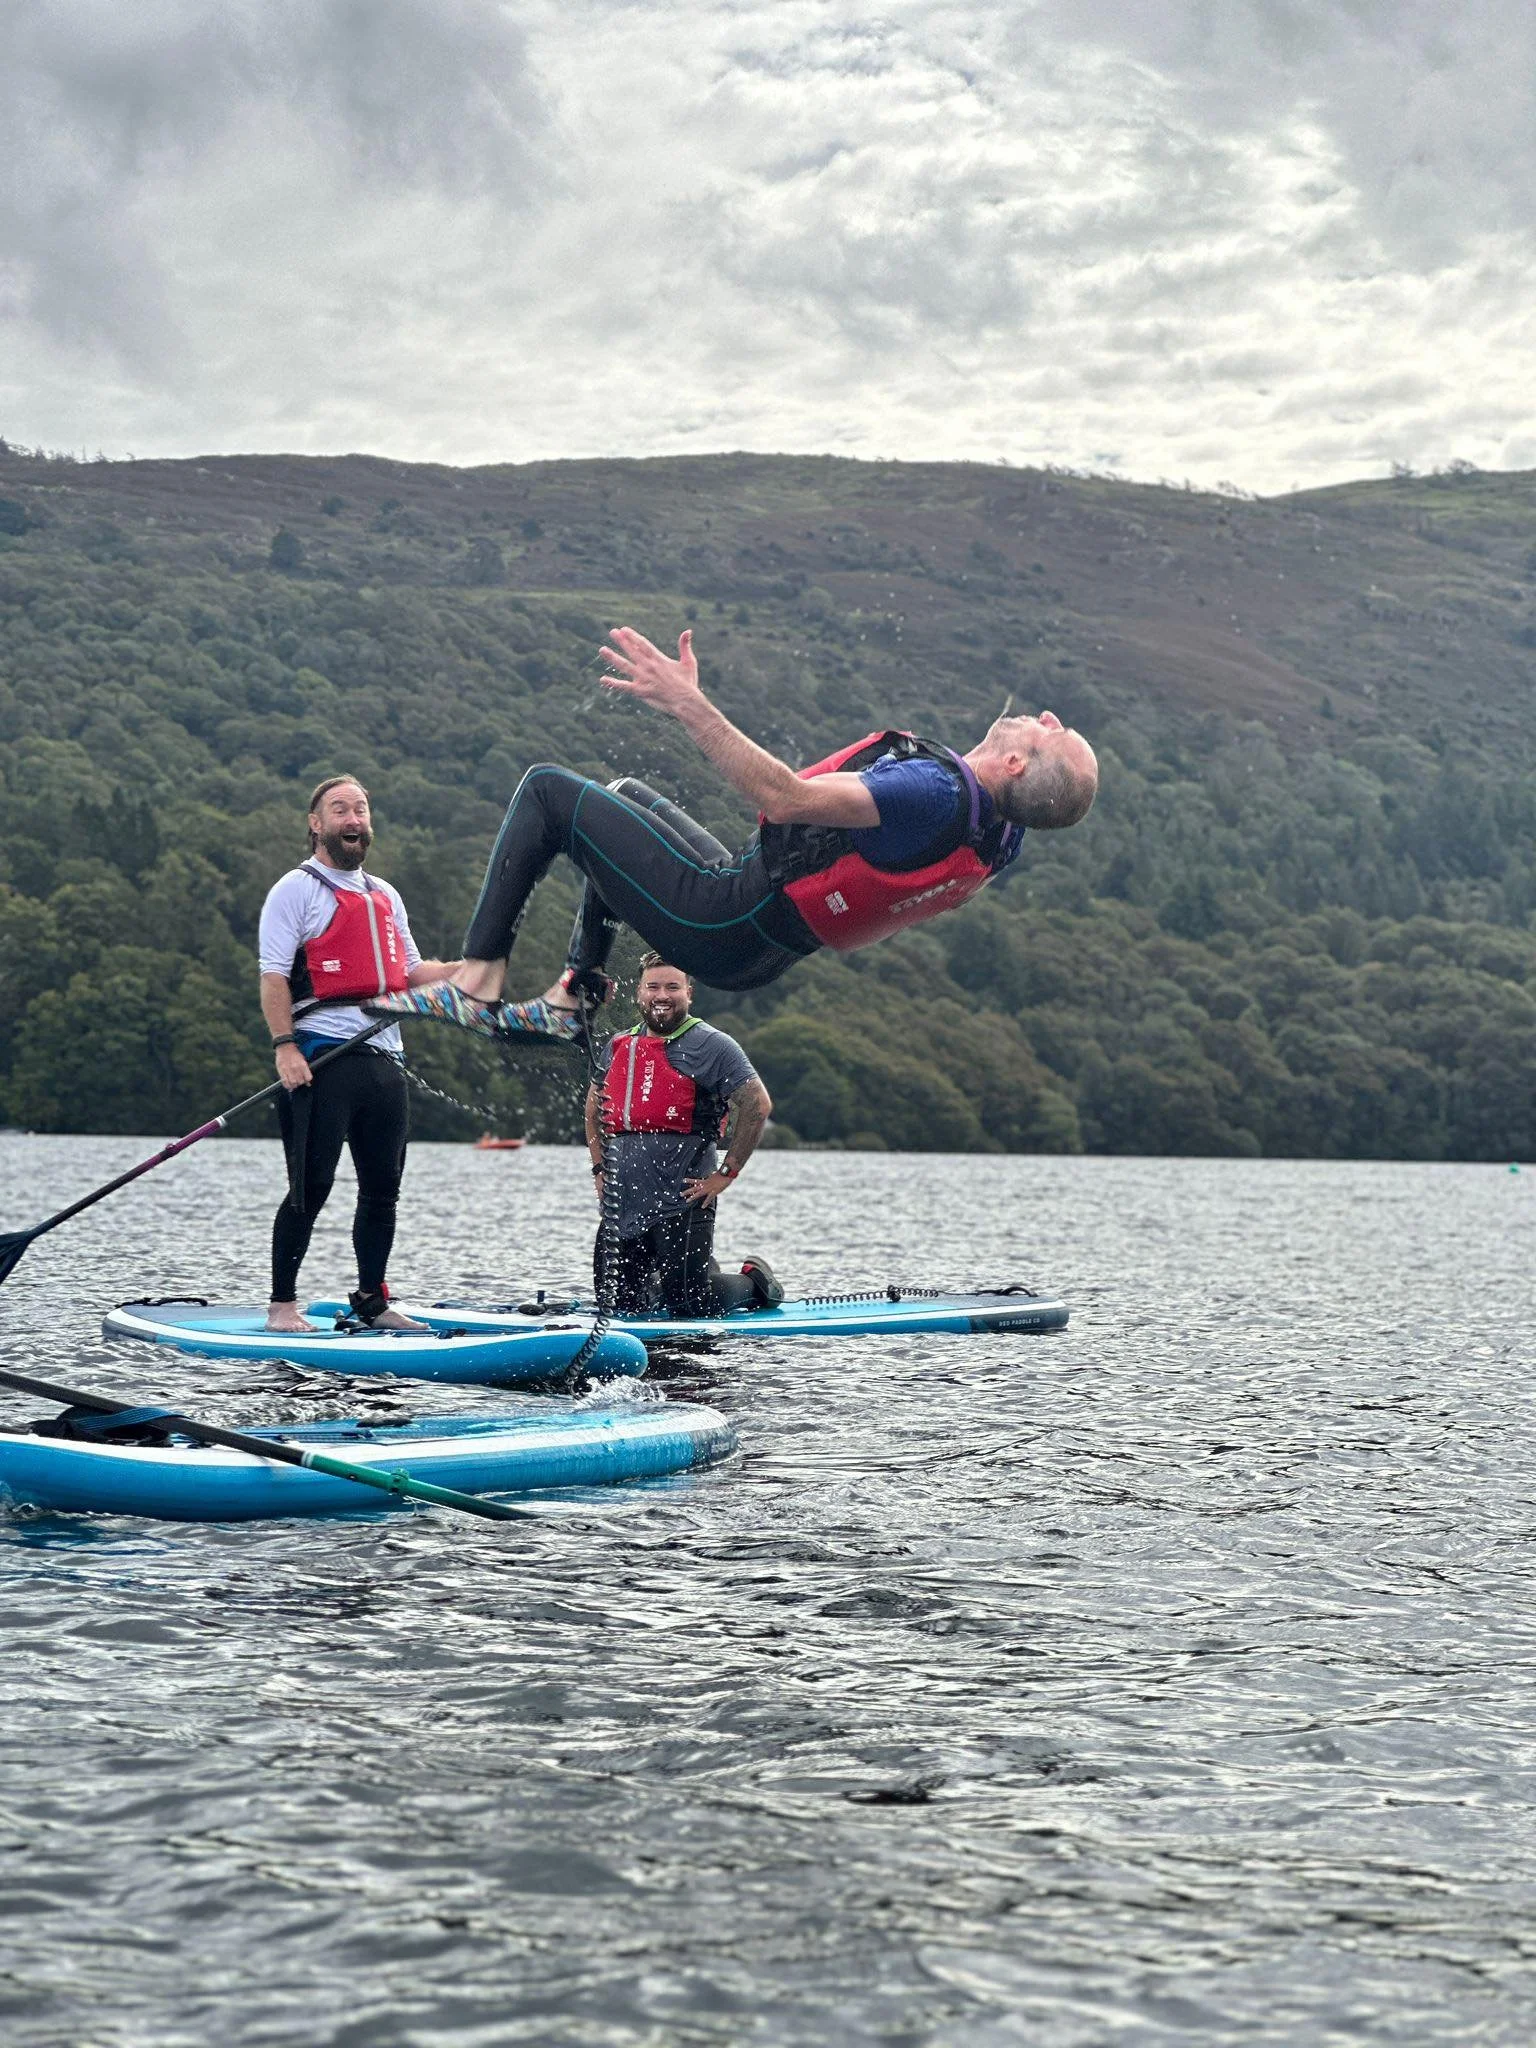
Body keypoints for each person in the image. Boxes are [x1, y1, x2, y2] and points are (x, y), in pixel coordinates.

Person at [369, 626, 1098, 1042]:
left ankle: (477, 980)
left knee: (548, 794)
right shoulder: (1000, 834)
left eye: (1051, 736)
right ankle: (572, 996)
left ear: (1012, 763)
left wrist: (688, 703)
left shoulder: (933, 792)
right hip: (759, 937)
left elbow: (783, 798)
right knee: (621, 800)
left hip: (725, 918)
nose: (1049, 719)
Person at [258, 775, 455, 1335]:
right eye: (339, 809)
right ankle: (281, 1306)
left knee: (382, 1189)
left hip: (385, 1058)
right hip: (322, 1054)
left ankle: (371, 1298)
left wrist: (467, 968)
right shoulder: (294, 890)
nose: (352, 818)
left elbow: (412, 975)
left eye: (361, 809)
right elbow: (273, 977)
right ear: (316, 824)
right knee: (310, 1186)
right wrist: (284, 1047)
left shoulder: (385, 895)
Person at [585, 953, 775, 1318]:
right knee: (615, 1307)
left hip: (683, 1202)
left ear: (689, 992)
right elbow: (593, 1112)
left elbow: (756, 1106)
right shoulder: (618, 1045)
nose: (662, 995)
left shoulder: (715, 1045)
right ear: (638, 993)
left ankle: (754, 1281)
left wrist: (725, 1175)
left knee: (689, 1305)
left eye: (673, 987)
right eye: (653, 986)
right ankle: (698, 1270)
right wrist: (599, 1171)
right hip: (622, 1203)